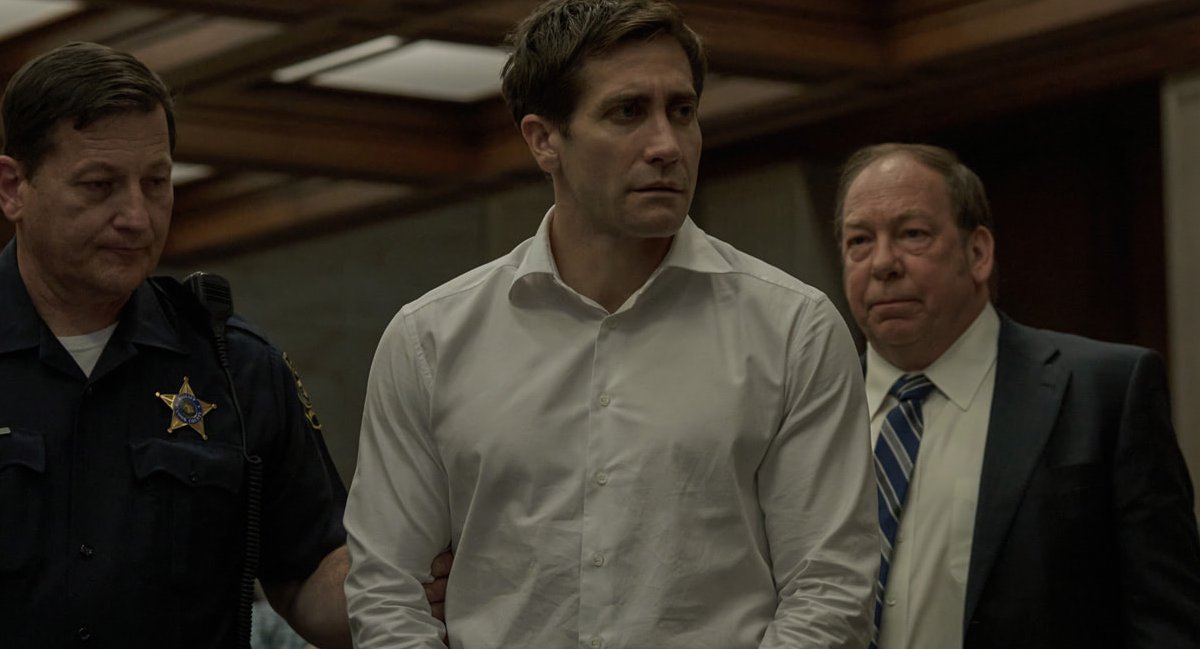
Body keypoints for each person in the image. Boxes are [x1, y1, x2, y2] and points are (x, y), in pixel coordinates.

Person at [343, 0, 878, 647]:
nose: (666, 145)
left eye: (682, 111)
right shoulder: (430, 340)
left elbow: (830, 588)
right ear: (544, 140)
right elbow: (386, 588)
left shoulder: (793, 330)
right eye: (627, 112)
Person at [0, 42, 447, 648]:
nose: (137, 216)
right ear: (14, 187)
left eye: (156, 183)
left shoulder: (236, 367)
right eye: (99, 185)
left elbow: (310, 574)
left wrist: (405, 579)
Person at [835, 142, 1200, 649]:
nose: (882, 264)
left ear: (978, 253)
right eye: (859, 241)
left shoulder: (1105, 391)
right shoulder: (809, 416)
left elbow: (1168, 624)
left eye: (912, 234)